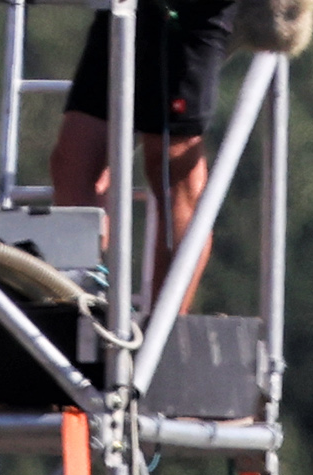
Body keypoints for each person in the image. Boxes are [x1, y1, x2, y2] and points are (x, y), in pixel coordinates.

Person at [56, 0, 241, 305]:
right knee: (72, 161)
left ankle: (164, 327)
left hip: (190, 15)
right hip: (123, 8)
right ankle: (80, 304)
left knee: (173, 172)